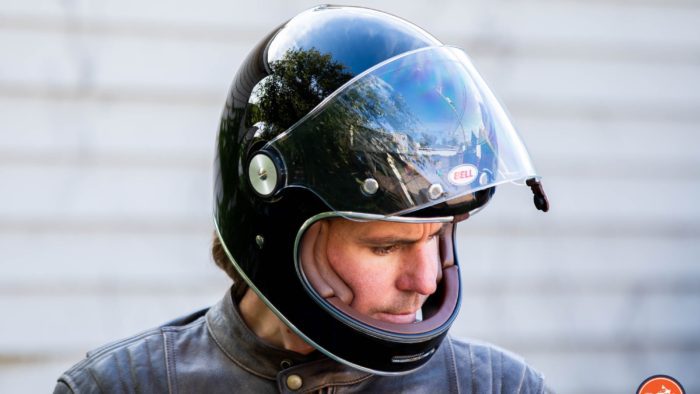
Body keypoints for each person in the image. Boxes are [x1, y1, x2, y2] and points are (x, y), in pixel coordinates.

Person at [54, 5, 552, 393]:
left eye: (438, 236)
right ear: (277, 224)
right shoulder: (123, 387)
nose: (425, 280)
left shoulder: (497, 387)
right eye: (384, 246)